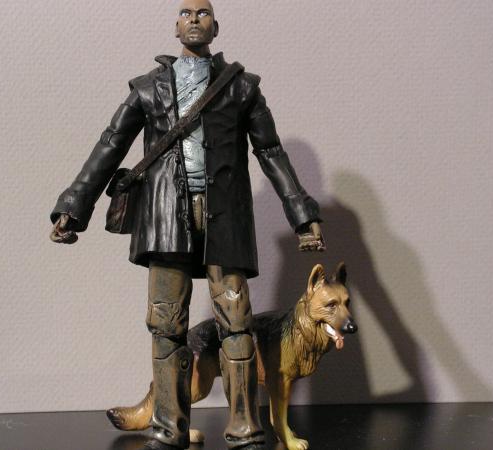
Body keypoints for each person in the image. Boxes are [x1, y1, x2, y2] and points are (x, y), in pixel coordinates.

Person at [49, 1, 325, 448]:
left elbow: (271, 151)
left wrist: (304, 216)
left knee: (237, 323)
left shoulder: (242, 88)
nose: (194, 18)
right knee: (166, 324)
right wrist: (73, 206)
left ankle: (244, 428)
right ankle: (167, 428)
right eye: (186, 12)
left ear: (216, 25)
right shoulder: (148, 88)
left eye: (203, 12)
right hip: (165, 217)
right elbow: (110, 145)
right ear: (175, 26)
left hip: (225, 219)